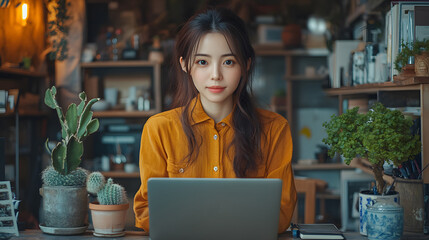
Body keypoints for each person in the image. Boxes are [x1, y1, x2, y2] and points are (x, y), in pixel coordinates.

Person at [134, 8, 297, 233]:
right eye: (202, 62)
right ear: (185, 64)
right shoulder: (159, 129)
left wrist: (197, 221)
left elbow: (281, 214)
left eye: (228, 62)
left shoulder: (275, 129)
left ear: (246, 64)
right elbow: (146, 211)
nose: (216, 75)